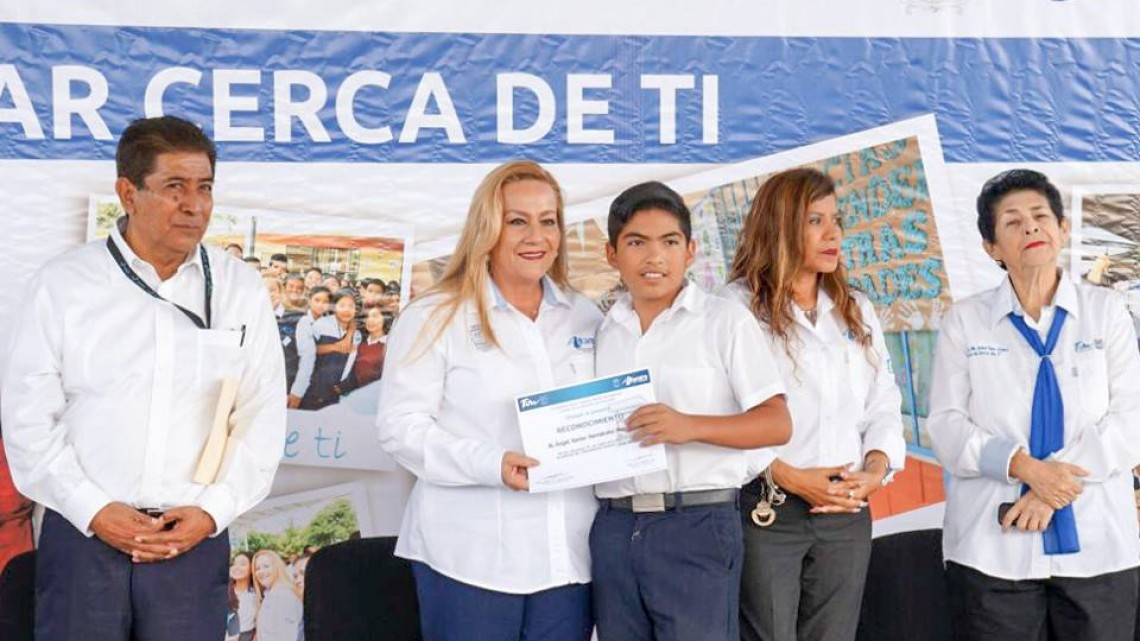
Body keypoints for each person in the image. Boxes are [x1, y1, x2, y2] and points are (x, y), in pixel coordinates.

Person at [0, 115, 286, 641]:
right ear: (127, 193)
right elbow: (28, 421)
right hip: (84, 536)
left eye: (204, 188)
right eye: (174, 187)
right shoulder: (63, 285)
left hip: (192, 542)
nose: (194, 205)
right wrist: (94, 509)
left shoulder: (239, 289)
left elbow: (262, 417)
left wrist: (211, 511)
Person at [377, 160, 602, 641]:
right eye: (516, 220)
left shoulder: (586, 316)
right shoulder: (434, 315)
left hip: (568, 560)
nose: (535, 235)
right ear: (487, 227)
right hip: (469, 558)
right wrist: (490, 463)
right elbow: (400, 427)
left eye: (548, 220)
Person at [928, 169, 1140, 641]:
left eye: (1041, 216)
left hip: (1099, 548)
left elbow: (1131, 422)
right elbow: (945, 426)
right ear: (991, 247)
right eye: (1012, 221)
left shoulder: (1107, 313)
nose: (1030, 228)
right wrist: (1022, 466)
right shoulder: (966, 321)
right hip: (992, 550)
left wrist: (1049, 485)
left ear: (1063, 230)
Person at [591, 181, 792, 641]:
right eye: (637, 242)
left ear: (690, 250)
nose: (654, 257)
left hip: (697, 524)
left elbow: (777, 422)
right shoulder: (599, 329)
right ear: (611, 254)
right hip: (614, 527)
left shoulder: (724, 321)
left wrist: (688, 426)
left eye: (669, 242)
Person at [722, 168, 906, 641]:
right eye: (815, 221)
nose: (833, 234)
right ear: (780, 226)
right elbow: (723, 418)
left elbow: (883, 400)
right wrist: (789, 475)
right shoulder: (733, 310)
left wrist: (875, 469)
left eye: (836, 219)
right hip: (768, 509)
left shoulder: (855, 307)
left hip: (845, 510)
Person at [300, 288, 360, 410]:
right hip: (313, 390)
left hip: (336, 395)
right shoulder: (321, 325)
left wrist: (345, 386)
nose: (346, 310)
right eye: (342, 305)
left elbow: (353, 366)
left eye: (351, 306)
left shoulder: (357, 335)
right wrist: (335, 347)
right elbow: (306, 350)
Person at [288, 286, 331, 409]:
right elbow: (306, 359)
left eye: (325, 302)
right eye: (317, 300)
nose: (321, 305)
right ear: (309, 301)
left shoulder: (329, 324)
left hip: (318, 385)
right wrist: (297, 392)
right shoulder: (303, 322)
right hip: (298, 381)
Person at [252, 549, 303, 641]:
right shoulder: (271, 594)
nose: (261, 571)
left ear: (277, 567)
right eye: (257, 568)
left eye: (266, 566)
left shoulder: (282, 596)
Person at [341, 306, 388, 395]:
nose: (370, 320)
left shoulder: (389, 345)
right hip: (356, 398)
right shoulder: (361, 345)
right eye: (367, 317)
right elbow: (352, 378)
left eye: (375, 316)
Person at [229, 552, 259, 641]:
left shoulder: (257, 595)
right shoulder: (222, 592)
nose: (236, 567)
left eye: (242, 564)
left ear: (251, 569)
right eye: (234, 564)